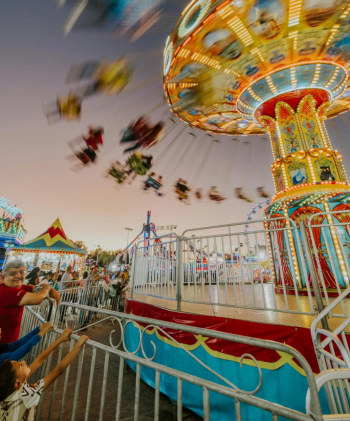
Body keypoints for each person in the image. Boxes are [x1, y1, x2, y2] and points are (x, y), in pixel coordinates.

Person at [0, 328, 88, 420]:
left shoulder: (7, 389)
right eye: (20, 365)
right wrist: (78, 345)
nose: (23, 361)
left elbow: (38, 361)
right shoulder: (26, 395)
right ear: (18, 384)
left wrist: (60, 339)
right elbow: (59, 370)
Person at [0, 260, 61, 344]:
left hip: (9, 343)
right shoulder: (5, 291)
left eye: (21, 272)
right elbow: (38, 298)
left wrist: (49, 289)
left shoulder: (19, 287)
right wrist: (48, 288)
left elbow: (37, 288)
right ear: (3, 277)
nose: (18, 275)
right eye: (12, 273)